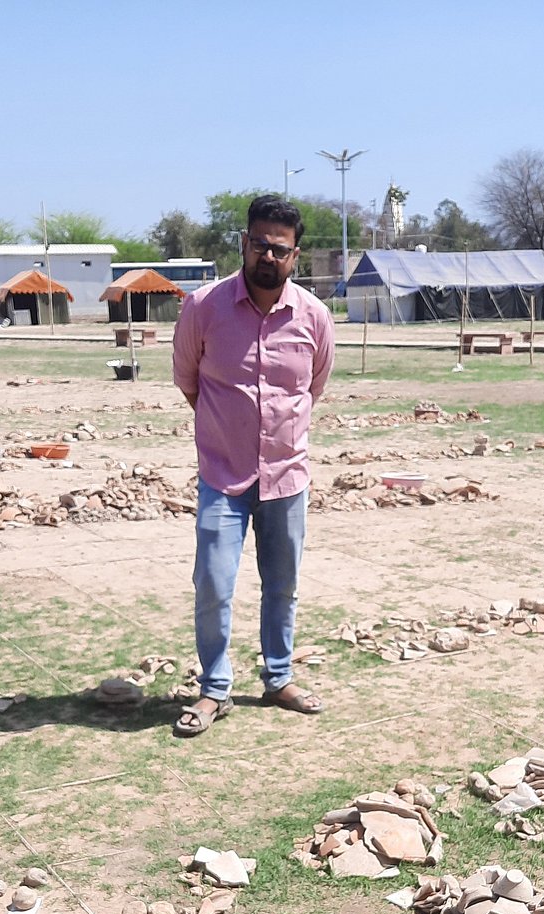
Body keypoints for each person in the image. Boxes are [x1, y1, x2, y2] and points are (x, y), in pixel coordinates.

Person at [171, 194, 335, 737]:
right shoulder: (203, 308)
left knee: (282, 584)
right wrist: (227, 431)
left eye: (280, 249)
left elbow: (313, 387)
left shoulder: (315, 316)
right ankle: (215, 688)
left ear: (296, 256)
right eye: (259, 244)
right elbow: (188, 382)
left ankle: (278, 677)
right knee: (214, 584)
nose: (268, 256)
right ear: (244, 243)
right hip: (223, 477)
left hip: (286, 478)